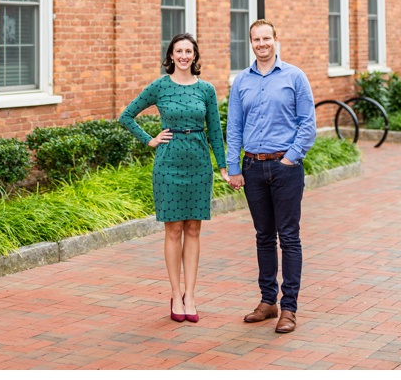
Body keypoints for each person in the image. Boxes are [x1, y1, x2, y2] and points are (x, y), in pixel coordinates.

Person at [119, 32, 228, 323]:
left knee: (193, 228)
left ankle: (191, 295)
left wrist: (223, 166)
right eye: (178, 51)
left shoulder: (206, 89)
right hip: (168, 164)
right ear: (170, 56)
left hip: (198, 161)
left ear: (195, 56)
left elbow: (215, 130)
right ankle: (176, 293)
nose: (183, 56)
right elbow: (126, 116)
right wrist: (149, 140)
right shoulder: (160, 86)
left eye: (188, 51)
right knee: (173, 230)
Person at [225, 18, 316, 334]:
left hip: (284, 168)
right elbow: (234, 126)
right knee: (263, 235)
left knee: (289, 236)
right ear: (250, 43)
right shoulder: (241, 81)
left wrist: (290, 159)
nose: (261, 44)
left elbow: (308, 124)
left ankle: (288, 307)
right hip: (252, 167)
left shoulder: (295, 77)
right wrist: (233, 166)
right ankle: (268, 301)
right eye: (255, 39)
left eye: (266, 38)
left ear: (276, 39)